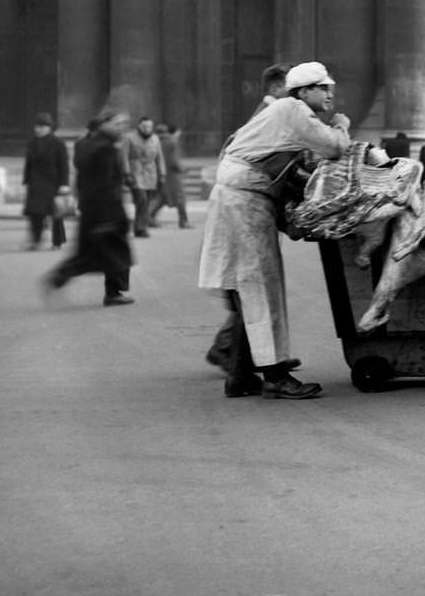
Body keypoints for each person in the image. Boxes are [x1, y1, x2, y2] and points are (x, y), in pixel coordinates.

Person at [198, 61, 351, 399]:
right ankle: (276, 375)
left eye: (330, 88)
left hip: (242, 198)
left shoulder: (284, 113)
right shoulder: (293, 110)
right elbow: (334, 147)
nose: (330, 94)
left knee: (245, 286)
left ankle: (240, 375)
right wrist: (341, 127)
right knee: (260, 285)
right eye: (323, 88)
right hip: (245, 201)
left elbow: (288, 167)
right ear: (304, 90)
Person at [205, 62, 292, 374]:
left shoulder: (269, 113)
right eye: (290, 87)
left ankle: (246, 361)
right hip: (241, 206)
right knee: (249, 289)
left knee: (247, 289)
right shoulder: (270, 115)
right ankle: (232, 353)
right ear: (275, 88)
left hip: (241, 204)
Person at [44, 111, 135, 306]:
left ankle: (60, 276)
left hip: (91, 209)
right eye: (118, 124)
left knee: (92, 253)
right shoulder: (105, 148)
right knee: (114, 253)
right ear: (106, 124)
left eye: (125, 125)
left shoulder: (88, 144)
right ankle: (113, 293)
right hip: (106, 210)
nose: (122, 128)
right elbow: (105, 184)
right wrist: (110, 215)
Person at [22, 112, 70, 251]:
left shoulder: (58, 144)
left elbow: (63, 165)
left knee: (56, 214)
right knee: (34, 214)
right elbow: (28, 163)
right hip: (35, 184)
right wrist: (26, 180)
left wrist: (64, 184)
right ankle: (36, 240)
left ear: (49, 128)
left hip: (52, 183)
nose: (38, 129)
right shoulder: (32, 142)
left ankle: (57, 241)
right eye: (37, 126)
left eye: (42, 126)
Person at [123, 116, 166, 238]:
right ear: (139, 126)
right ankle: (140, 227)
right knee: (141, 199)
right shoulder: (129, 138)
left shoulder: (155, 139)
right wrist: (126, 173)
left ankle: (140, 225)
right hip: (135, 172)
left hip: (151, 173)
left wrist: (162, 173)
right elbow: (124, 157)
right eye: (144, 126)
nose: (147, 129)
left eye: (149, 127)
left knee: (146, 201)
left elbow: (160, 157)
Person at [147, 122, 190, 229]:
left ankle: (149, 218)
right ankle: (183, 221)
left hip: (159, 173)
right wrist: (182, 169)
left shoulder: (152, 141)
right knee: (180, 198)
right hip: (172, 175)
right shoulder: (171, 142)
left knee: (161, 198)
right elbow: (173, 161)